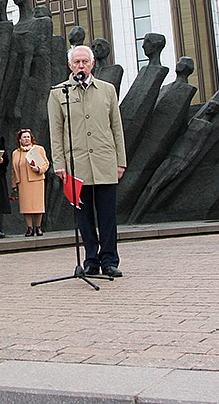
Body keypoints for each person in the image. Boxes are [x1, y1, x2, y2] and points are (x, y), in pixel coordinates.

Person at [48, 45, 127, 277]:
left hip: (104, 162)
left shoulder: (107, 90)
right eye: (76, 62)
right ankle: (91, 259)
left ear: (92, 64)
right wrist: (59, 163)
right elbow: (56, 131)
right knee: (83, 217)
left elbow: (117, 128)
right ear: (70, 66)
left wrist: (120, 161)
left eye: (84, 61)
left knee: (108, 215)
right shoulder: (58, 93)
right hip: (76, 165)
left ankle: (110, 260)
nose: (80, 65)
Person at [11, 128, 50, 236]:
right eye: (24, 137)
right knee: (26, 206)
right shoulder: (15, 153)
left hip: (37, 180)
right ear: (20, 139)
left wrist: (39, 169)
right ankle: (29, 228)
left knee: (38, 206)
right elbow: (13, 170)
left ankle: (38, 227)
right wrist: (14, 184)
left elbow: (46, 164)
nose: (26, 139)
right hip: (23, 182)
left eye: (28, 137)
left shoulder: (39, 149)